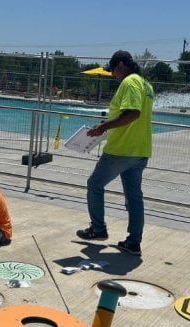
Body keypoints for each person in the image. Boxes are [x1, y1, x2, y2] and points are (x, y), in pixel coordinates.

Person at [76, 50, 154, 256]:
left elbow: (133, 113)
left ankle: (98, 229)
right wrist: (108, 124)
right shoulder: (146, 85)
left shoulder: (130, 83)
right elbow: (134, 114)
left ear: (120, 65)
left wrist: (103, 127)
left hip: (122, 149)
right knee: (134, 197)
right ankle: (133, 242)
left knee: (94, 184)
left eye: (113, 71)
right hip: (141, 150)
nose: (113, 76)